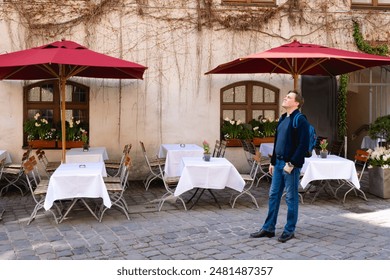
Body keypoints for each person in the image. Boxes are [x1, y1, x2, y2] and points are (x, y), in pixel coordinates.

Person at [250, 90, 310, 243]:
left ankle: (289, 230)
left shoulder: (300, 120)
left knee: (291, 197)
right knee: (273, 195)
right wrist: (273, 161)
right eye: (286, 96)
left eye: (289, 97)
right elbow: (278, 142)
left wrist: (292, 163)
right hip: (278, 164)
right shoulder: (283, 118)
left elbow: (303, 145)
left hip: (290, 165)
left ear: (296, 103)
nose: (285, 98)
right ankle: (269, 228)